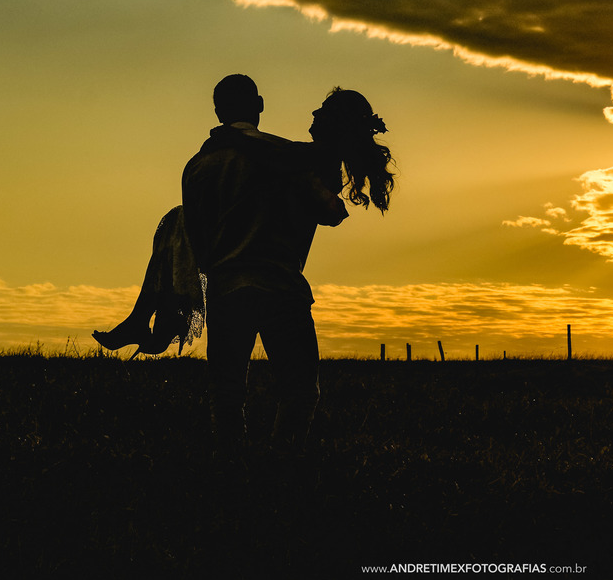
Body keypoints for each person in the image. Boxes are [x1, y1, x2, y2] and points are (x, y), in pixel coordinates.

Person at [94, 75, 394, 454]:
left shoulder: (198, 165)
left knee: (227, 392)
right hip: (281, 287)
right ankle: (280, 465)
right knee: (299, 390)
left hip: (226, 288)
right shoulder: (288, 159)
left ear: (217, 110)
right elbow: (331, 214)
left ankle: (230, 467)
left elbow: (198, 235)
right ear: (260, 105)